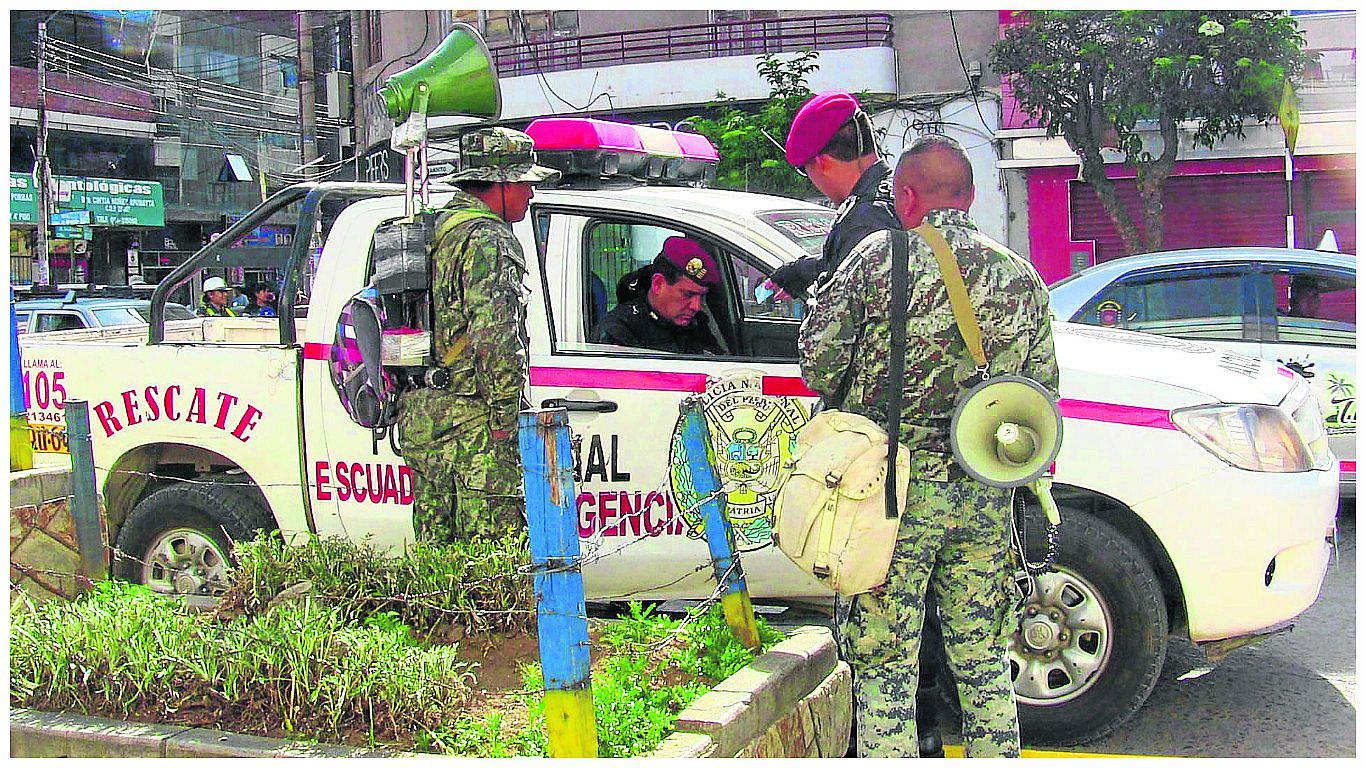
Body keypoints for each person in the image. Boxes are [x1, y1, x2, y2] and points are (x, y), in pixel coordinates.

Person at [798, 135, 1059, 758]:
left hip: (887, 495)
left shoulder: (875, 260)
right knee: (983, 661)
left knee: (886, 668)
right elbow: (1042, 395)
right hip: (983, 492)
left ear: (904, 197)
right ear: (970, 197)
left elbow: (818, 367)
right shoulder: (1019, 276)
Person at [784, 90, 948, 758]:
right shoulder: (901, 204)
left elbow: (830, 353)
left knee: (876, 605)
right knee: (921, 606)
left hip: (877, 447)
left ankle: (892, 741)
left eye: (808, 173)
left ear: (825, 161)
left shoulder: (861, 225)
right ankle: (924, 734)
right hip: (931, 440)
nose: (813, 185)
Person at [396, 127, 560, 545]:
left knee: (437, 559)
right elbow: (495, 337)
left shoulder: (434, 227)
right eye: (525, 183)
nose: (531, 193)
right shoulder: (488, 238)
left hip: (421, 414)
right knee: (492, 557)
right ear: (500, 183)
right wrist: (508, 419)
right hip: (474, 423)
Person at [766, 91, 898, 301]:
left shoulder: (864, 219)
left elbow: (844, 315)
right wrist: (802, 272)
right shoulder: (897, 193)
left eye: (804, 170)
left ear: (821, 163)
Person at [592, 236, 726, 355]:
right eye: (688, 294)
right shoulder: (618, 330)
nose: (696, 306)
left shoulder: (696, 324)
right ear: (658, 284)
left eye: (701, 297)